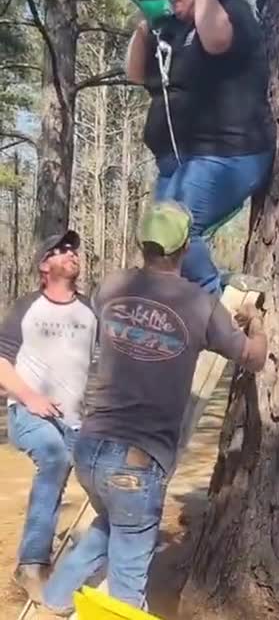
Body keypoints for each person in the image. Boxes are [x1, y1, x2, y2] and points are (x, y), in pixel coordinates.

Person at [39, 201, 268, 616]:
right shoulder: (201, 305)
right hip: (137, 461)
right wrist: (256, 322)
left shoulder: (111, 287)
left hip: (89, 449)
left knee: (110, 526)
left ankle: (54, 600)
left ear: (142, 243)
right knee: (128, 579)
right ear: (186, 248)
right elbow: (252, 357)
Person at [126, 0, 276, 294]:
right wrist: (145, 24)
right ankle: (213, 287)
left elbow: (217, 41)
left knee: (178, 233)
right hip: (176, 162)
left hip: (227, 152)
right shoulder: (168, 30)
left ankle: (214, 304)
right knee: (156, 243)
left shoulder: (230, 10)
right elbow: (135, 74)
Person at [0, 231, 97, 601]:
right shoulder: (27, 307)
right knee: (54, 458)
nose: (71, 253)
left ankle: (85, 557)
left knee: (104, 478)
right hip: (28, 413)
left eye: (73, 249)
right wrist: (30, 397)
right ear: (44, 265)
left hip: (75, 421)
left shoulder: (90, 310)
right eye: (60, 250)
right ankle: (31, 566)